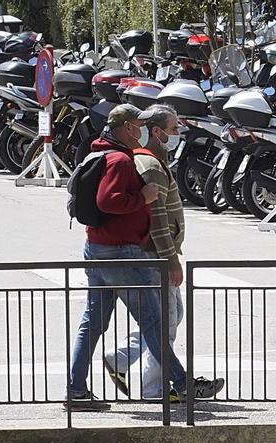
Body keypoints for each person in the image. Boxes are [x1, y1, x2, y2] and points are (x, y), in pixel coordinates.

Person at [65, 105, 216, 411]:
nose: (142, 130)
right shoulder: (120, 160)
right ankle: (182, 384)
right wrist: (142, 198)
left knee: (92, 324)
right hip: (122, 253)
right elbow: (109, 201)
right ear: (128, 128)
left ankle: (76, 390)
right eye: (139, 124)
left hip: (96, 249)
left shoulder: (100, 153)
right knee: (153, 325)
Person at [103, 106, 185, 399]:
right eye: (174, 130)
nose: (177, 135)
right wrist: (171, 259)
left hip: (155, 254)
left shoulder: (154, 161)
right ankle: (155, 389)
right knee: (164, 322)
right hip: (156, 256)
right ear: (157, 132)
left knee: (170, 318)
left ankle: (121, 359)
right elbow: (159, 219)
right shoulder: (149, 165)